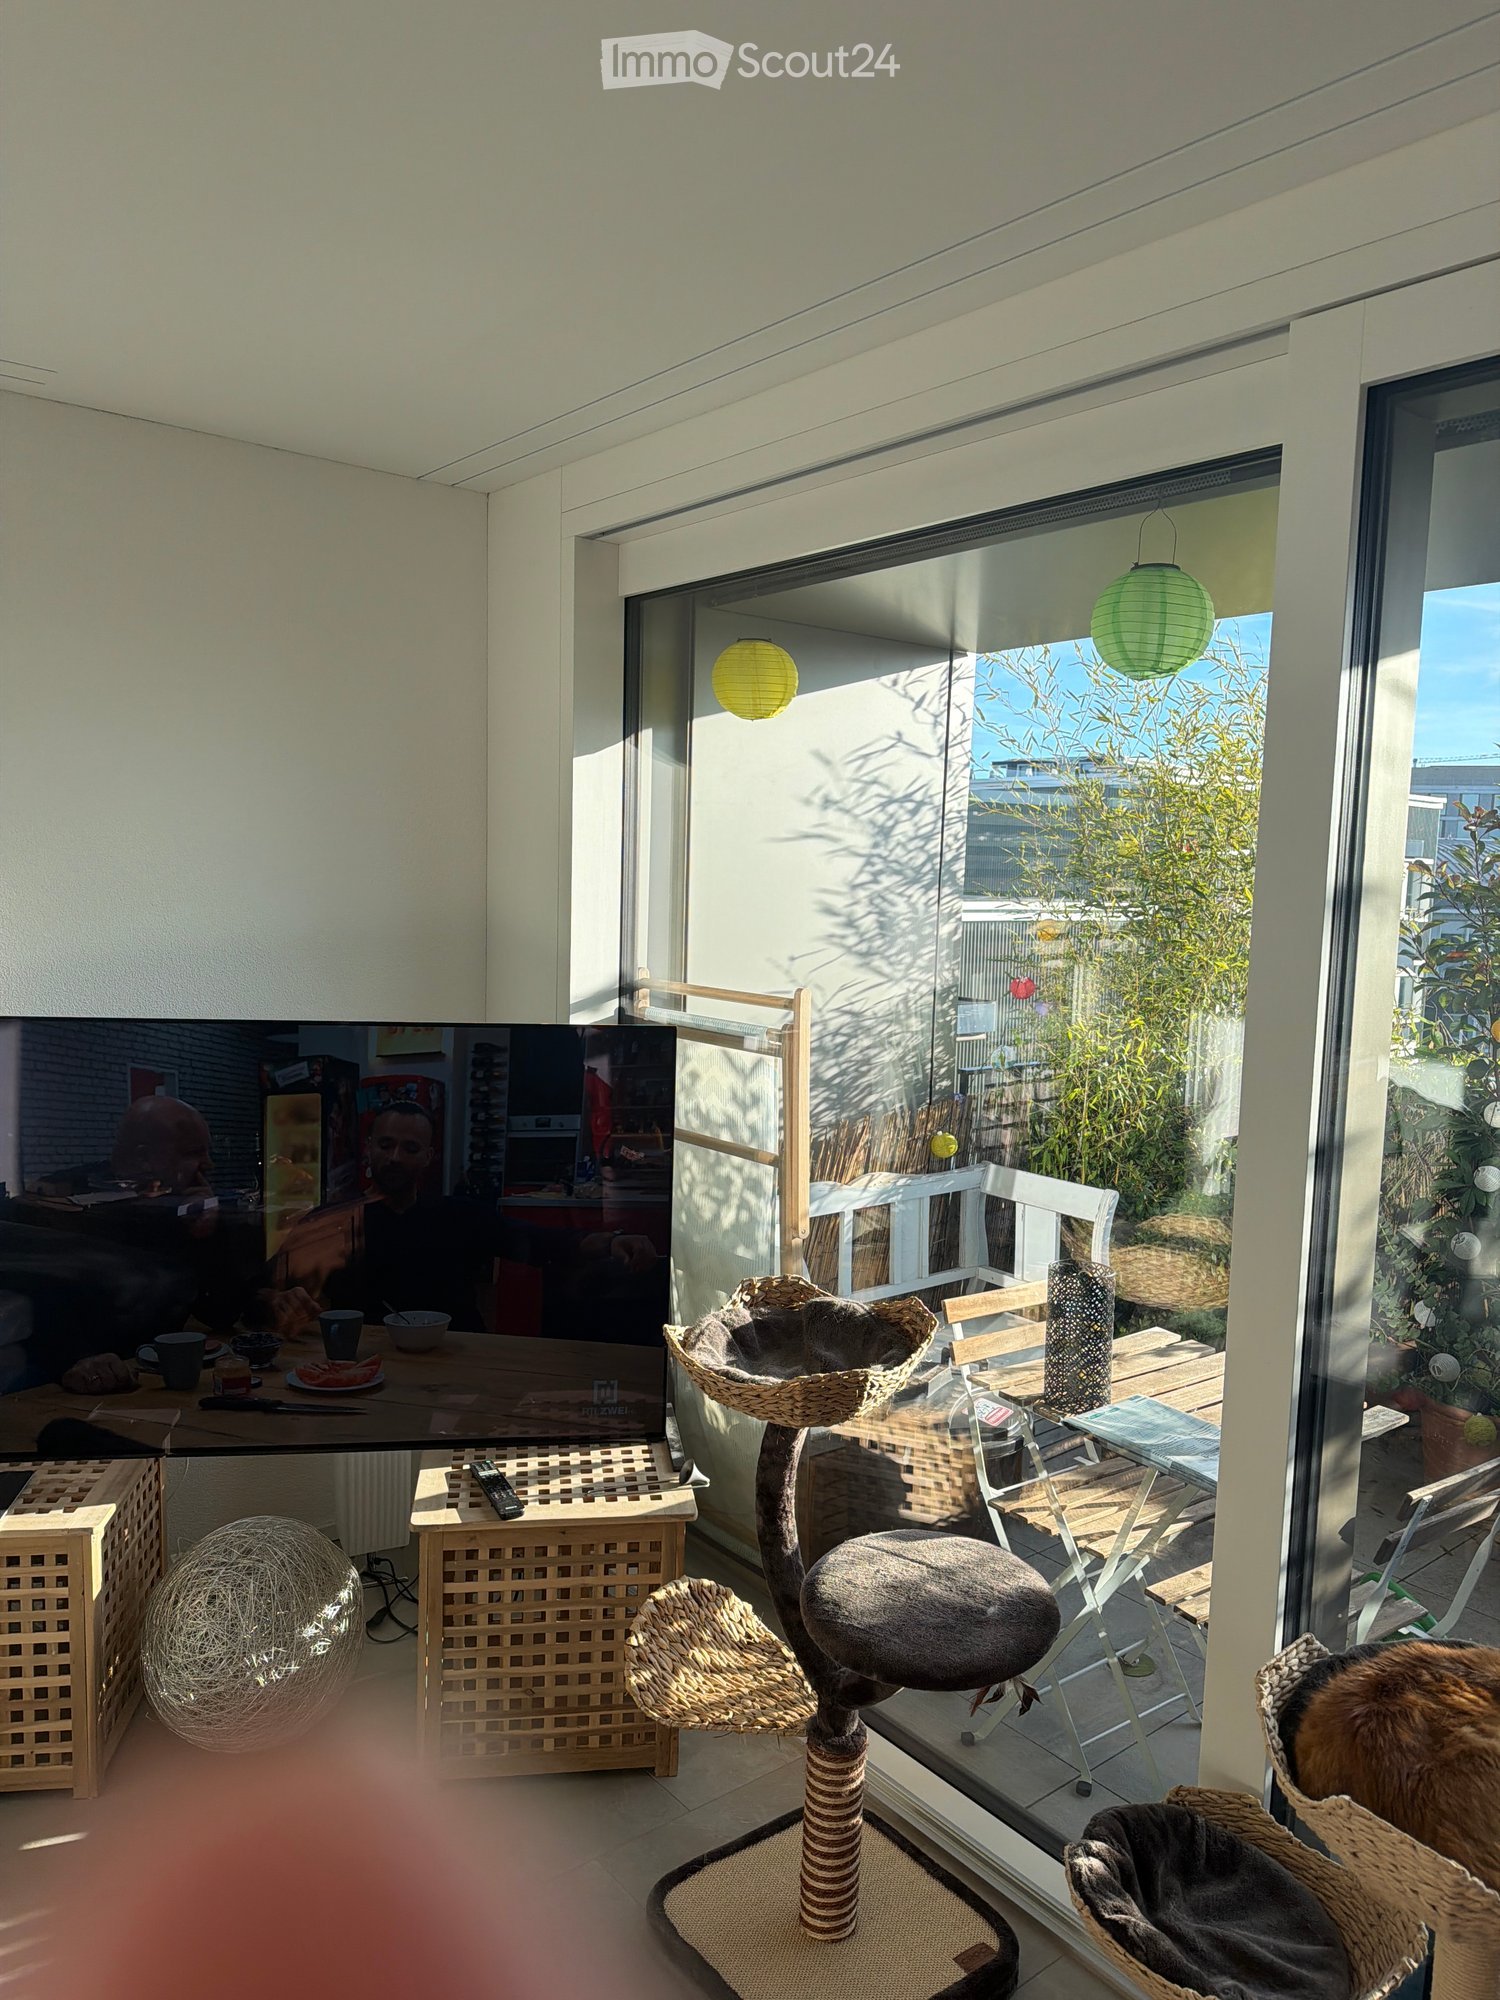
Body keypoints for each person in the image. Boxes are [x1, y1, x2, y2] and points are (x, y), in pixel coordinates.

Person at [277, 1101, 663, 1337]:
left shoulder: (459, 1216)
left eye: (410, 1148)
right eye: (386, 1144)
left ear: (428, 1156)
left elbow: (544, 1241)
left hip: (458, 1362)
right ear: (369, 1149)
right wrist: (278, 1301)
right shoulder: (330, 1222)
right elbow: (262, 1289)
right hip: (360, 1370)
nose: (395, 1157)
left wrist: (613, 1241)